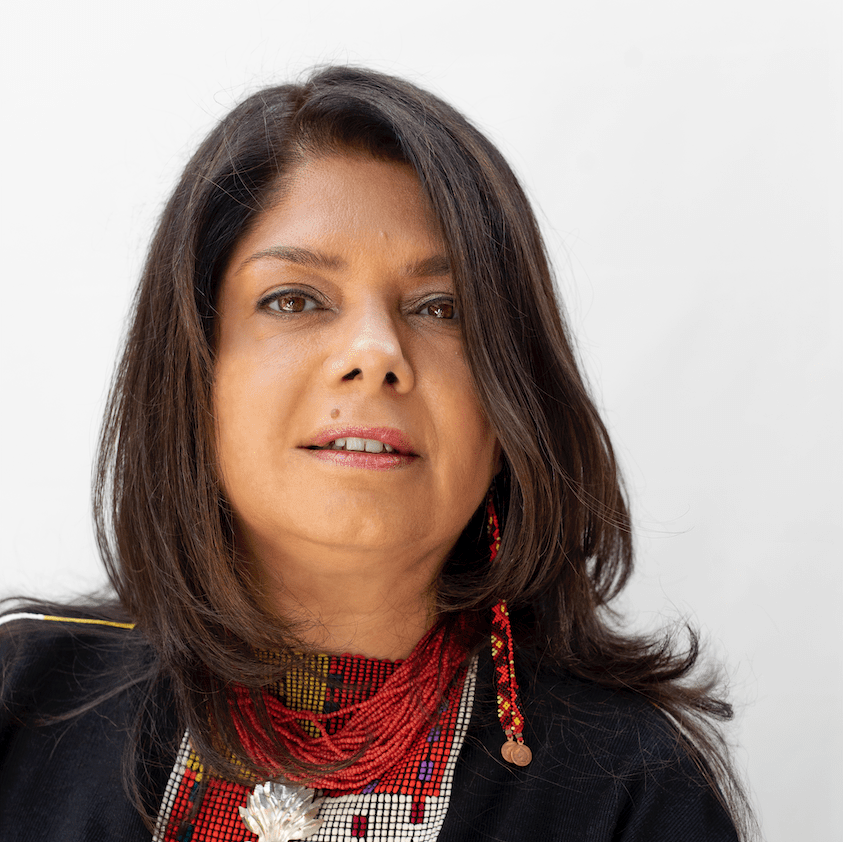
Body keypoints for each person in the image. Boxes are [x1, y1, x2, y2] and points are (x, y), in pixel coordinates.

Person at [0, 66, 753, 841]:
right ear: (193, 371)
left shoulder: (631, 788)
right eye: (294, 299)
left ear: (510, 403)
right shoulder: (20, 705)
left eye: (440, 308)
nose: (375, 352)